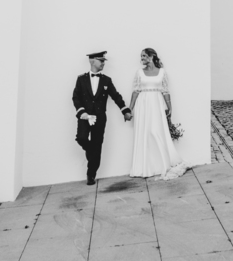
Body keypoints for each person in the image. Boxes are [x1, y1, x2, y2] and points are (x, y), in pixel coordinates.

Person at [72, 51, 132, 185]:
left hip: (100, 117)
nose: (103, 63)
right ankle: (90, 149)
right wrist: (82, 113)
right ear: (92, 61)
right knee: (81, 138)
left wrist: (125, 110)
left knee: (97, 145)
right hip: (84, 116)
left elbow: (116, 96)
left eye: (104, 61)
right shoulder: (81, 79)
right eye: (101, 60)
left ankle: (91, 175)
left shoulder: (106, 80)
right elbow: (76, 97)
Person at [127, 47, 187, 179]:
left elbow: (165, 91)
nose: (141, 59)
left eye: (144, 56)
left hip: (157, 104)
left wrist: (170, 108)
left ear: (152, 56)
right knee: (145, 133)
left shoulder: (162, 73)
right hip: (143, 104)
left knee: (156, 131)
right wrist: (130, 109)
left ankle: (161, 165)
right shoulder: (139, 72)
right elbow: (136, 91)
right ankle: (146, 167)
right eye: (141, 56)